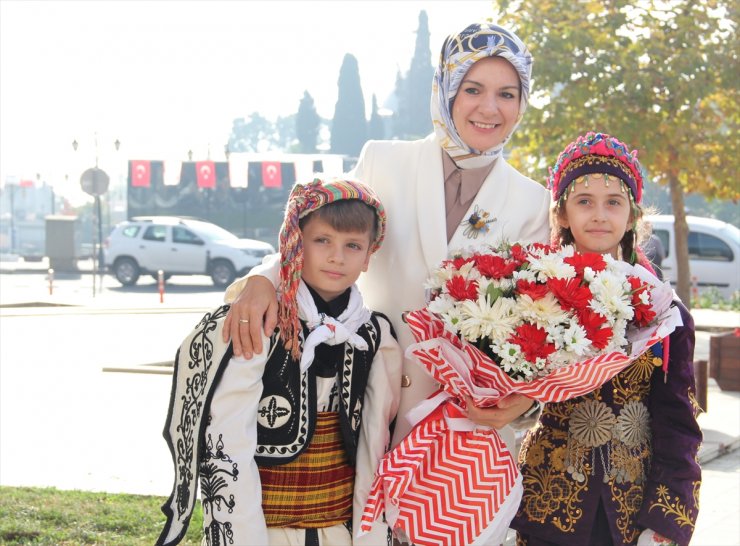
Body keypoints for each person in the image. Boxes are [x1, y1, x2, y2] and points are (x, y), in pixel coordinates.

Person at [222, 22, 550, 483]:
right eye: (473, 88)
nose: (489, 108)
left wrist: (525, 401)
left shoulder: (533, 202)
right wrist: (263, 280)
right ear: (446, 88)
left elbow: (537, 326)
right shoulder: (383, 160)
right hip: (364, 406)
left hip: (465, 441)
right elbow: (322, 237)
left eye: (508, 94)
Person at [156, 177, 403, 546]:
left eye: (353, 245)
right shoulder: (261, 322)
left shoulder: (373, 335)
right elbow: (227, 442)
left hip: (340, 531)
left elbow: (375, 444)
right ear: (294, 245)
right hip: (264, 530)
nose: (337, 257)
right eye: (322, 241)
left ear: (368, 256)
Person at [510, 133, 702, 546]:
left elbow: (679, 427)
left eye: (613, 202)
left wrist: (667, 522)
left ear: (632, 216)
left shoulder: (666, 313)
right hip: (545, 504)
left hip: (632, 513)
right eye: (584, 201)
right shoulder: (533, 297)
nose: (599, 215)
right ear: (561, 214)